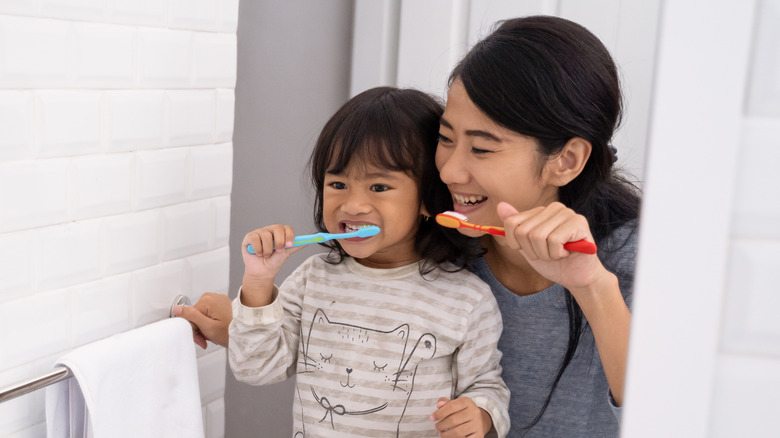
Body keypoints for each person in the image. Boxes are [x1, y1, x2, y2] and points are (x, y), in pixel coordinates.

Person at [178, 15, 640, 437]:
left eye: (481, 149)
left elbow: (673, 412)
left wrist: (593, 287)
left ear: (566, 160)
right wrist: (248, 316)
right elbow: (352, 324)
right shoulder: (435, 247)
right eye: (445, 138)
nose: (450, 171)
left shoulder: (634, 256)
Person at [214, 86, 509, 437]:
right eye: (338, 184)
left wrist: (480, 414)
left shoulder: (467, 300)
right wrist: (259, 283)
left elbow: (487, 386)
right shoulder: (312, 279)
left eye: (379, 187)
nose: (352, 205)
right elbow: (255, 367)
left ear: (428, 199)